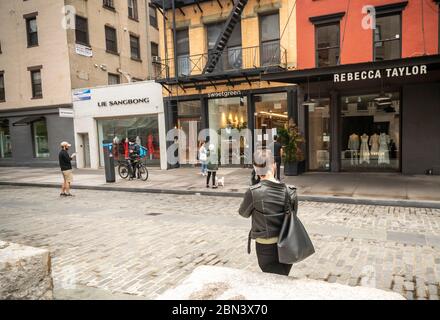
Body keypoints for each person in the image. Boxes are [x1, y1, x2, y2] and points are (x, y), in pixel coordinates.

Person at [239, 149, 297, 276]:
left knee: (274, 281)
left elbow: (243, 213)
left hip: (266, 247)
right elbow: (293, 217)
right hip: (288, 245)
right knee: (282, 278)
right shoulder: (290, 191)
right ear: (274, 166)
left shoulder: (254, 192)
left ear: (255, 168)